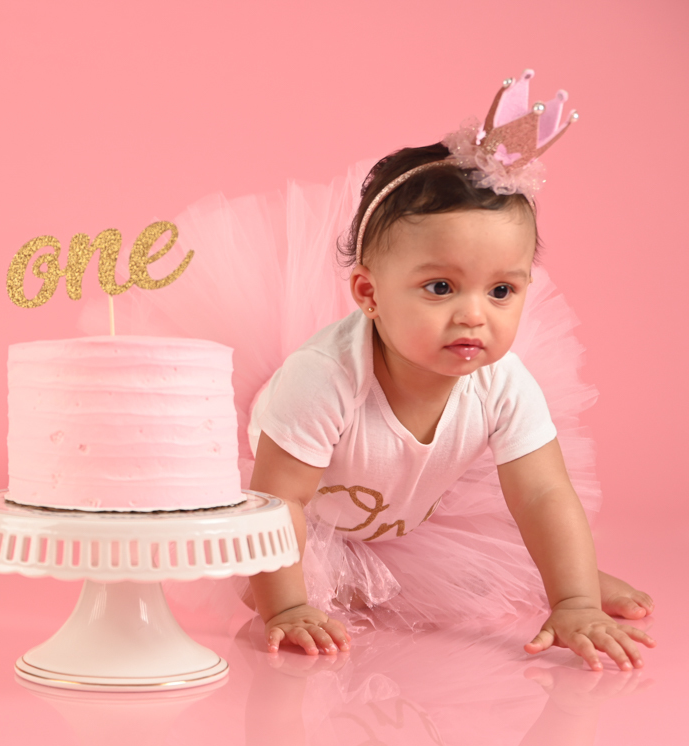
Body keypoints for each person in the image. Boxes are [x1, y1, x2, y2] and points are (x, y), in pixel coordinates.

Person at [90, 70, 655, 671]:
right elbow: (279, 503)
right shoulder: (324, 379)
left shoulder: (503, 381)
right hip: (295, 520)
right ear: (369, 292)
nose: (474, 315)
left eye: (500, 290)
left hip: (409, 517)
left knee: (502, 557)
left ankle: (573, 581)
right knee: (274, 578)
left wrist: (574, 603)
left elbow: (543, 492)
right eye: (440, 287)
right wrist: (284, 609)